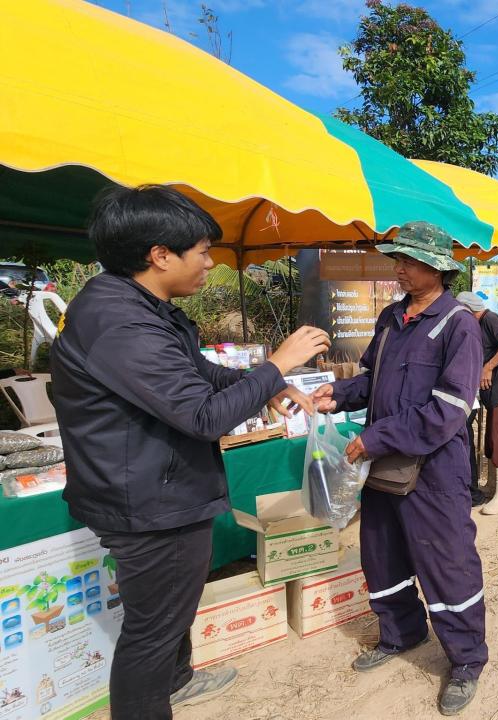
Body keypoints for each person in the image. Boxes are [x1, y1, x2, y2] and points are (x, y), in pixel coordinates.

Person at [49, 185, 329, 719]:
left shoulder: (140, 306)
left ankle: (177, 681)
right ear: (159, 255)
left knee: (170, 612)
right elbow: (203, 417)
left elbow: (196, 374)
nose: (209, 263)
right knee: (151, 632)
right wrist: (279, 364)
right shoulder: (120, 323)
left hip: (159, 487)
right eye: (201, 251)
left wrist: (260, 383)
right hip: (150, 504)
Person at [311, 222, 486, 716]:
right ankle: (400, 634)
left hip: (434, 470)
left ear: (437, 268)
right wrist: (338, 394)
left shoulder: (458, 325)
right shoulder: (391, 317)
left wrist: (374, 437)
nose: (399, 268)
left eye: (408, 261)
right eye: (398, 260)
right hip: (383, 466)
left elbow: (450, 408)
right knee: (382, 555)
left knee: (446, 562)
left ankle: (468, 659)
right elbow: (372, 380)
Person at [455, 292, 498, 515]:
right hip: (492, 395)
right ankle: (495, 488)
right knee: (492, 440)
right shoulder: (478, 324)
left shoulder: (490, 319)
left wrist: (488, 367)